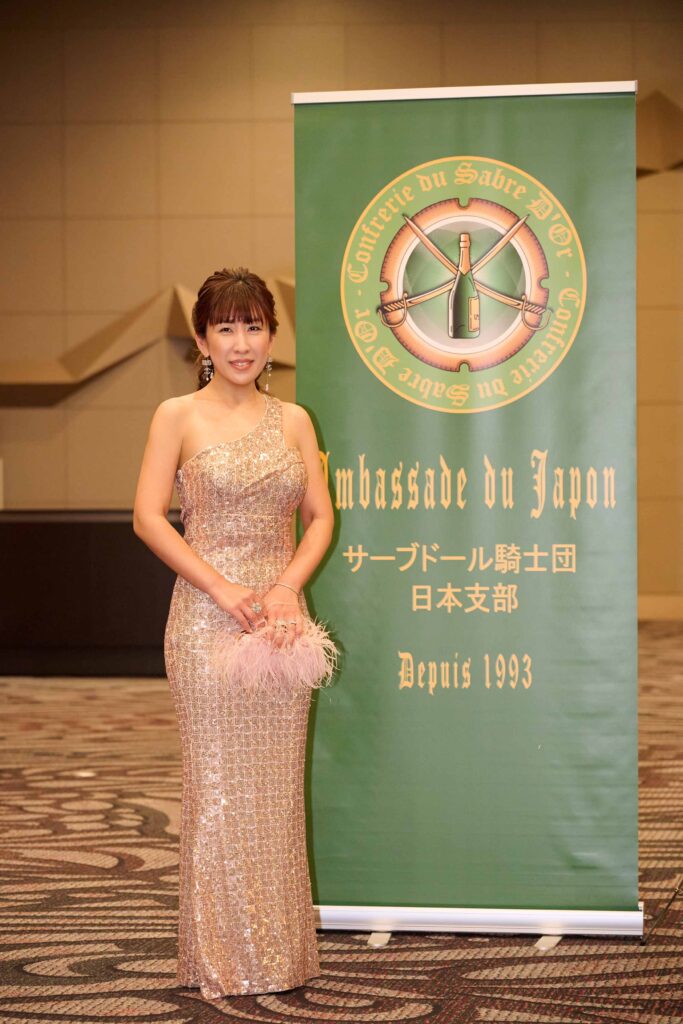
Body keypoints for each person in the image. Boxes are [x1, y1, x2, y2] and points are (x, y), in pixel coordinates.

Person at [132, 267, 335, 1000]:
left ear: (272, 338)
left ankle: (279, 956)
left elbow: (320, 518)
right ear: (202, 339)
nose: (241, 342)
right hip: (204, 621)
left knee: (275, 793)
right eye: (226, 327)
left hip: (278, 628)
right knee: (216, 788)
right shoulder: (176, 415)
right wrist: (221, 588)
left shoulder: (296, 420)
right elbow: (147, 517)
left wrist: (284, 588)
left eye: (254, 327)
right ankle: (221, 958)